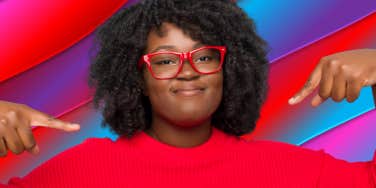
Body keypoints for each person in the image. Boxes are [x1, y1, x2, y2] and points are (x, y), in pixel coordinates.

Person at [0, 0, 376, 187]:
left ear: (227, 69)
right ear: (139, 77)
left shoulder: (287, 172)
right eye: (165, 60)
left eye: (205, 55)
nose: (188, 69)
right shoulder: (79, 173)